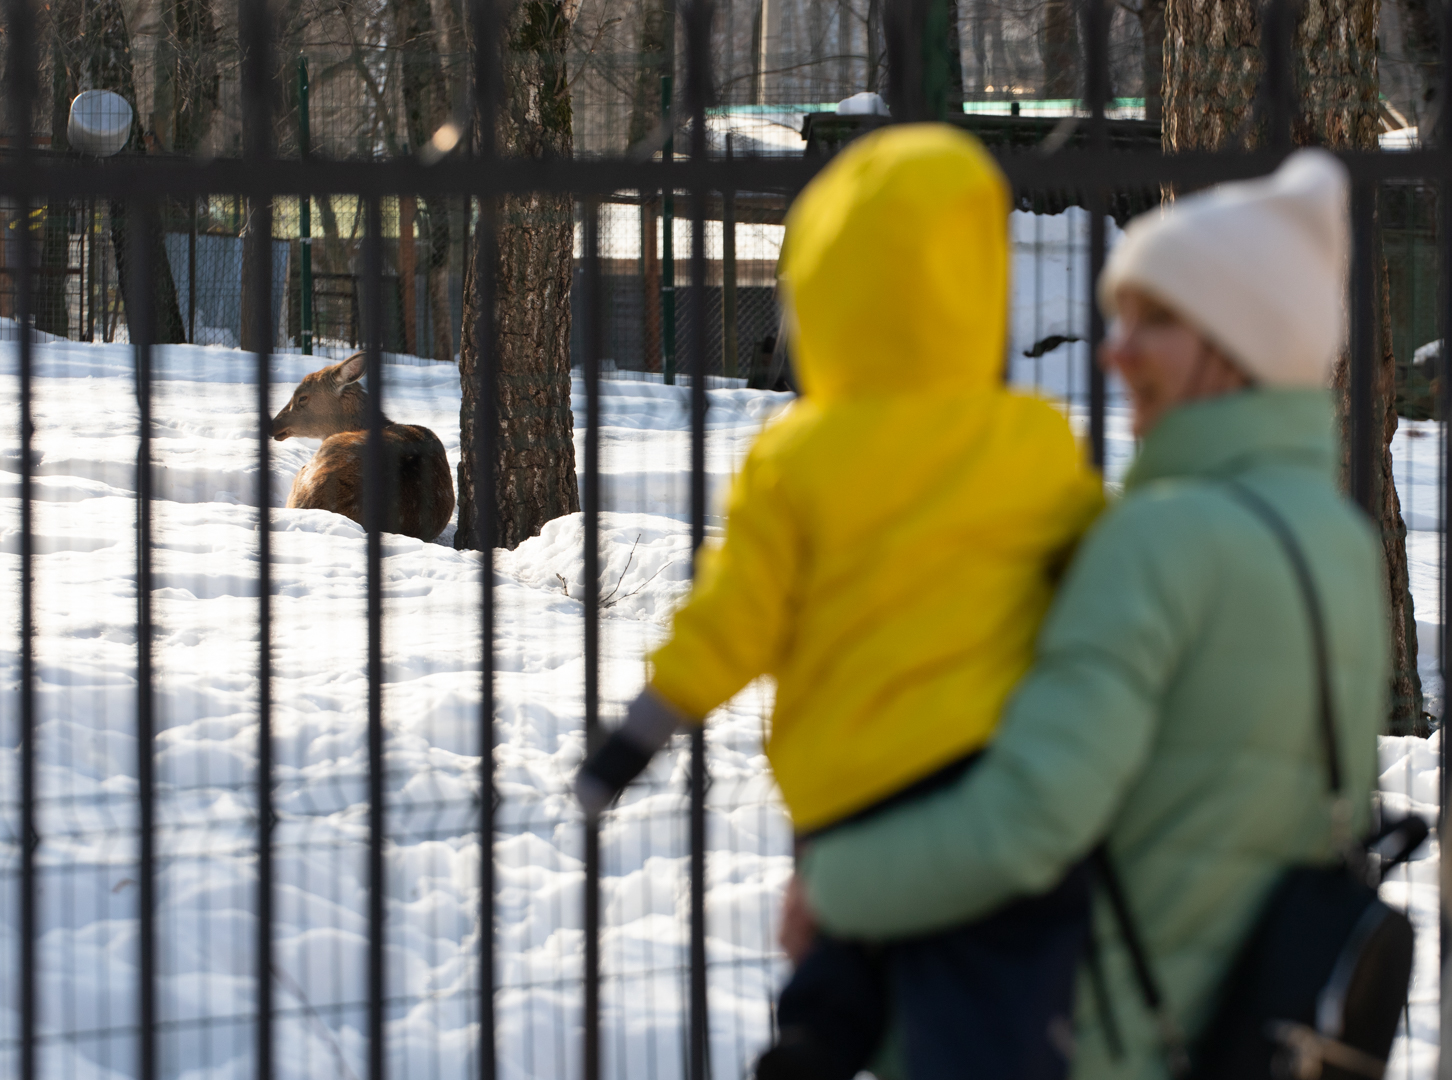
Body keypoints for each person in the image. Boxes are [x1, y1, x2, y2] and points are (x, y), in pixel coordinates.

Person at [790, 149, 1388, 1080]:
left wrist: (838, 889)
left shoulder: (1157, 541)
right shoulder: (1338, 541)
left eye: (1155, 322)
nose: (1115, 349)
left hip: (1092, 1040)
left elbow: (1027, 822)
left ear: (1240, 344)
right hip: (1240, 1029)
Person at [575, 124, 1104, 1079]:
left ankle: (818, 1033)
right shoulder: (1033, 443)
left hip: (846, 788)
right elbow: (1098, 585)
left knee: (843, 944)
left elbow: (735, 614)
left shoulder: (795, 456)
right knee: (987, 966)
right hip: (989, 774)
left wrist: (641, 733)